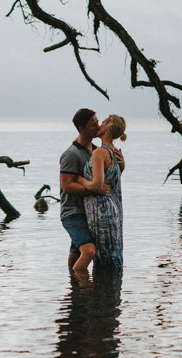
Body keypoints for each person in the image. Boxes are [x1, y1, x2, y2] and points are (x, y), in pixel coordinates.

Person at [60, 108, 103, 275]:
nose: (98, 127)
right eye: (93, 125)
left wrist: (121, 165)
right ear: (80, 128)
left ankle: (73, 287)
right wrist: (94, 189)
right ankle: (85, 290)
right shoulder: (71, 154)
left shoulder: (97, 150)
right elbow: (67, 186)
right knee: (89, 251)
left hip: (90, 212)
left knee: (76, 251)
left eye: (98, 123)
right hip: (73, 212)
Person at [83, 114, 127, 272]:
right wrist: (123, 167)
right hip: (112, 210)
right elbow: (114, 179)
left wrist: (80, 180)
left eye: (102, 123)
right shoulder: (115, 153)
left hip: (101, 211)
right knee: (109, 254)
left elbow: (96, 185)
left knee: (102, 257)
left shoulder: (99, 153)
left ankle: (99, 292)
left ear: (108, 126)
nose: (98, 126)